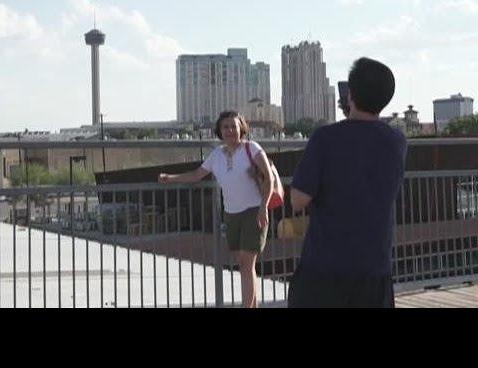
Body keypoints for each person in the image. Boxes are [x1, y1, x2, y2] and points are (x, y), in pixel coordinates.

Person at [287, 57, 407, 308]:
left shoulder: (325, 138)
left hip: (325, 268)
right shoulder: (396, 141)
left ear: (350, 94)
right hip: (375, 269)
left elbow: (298, 200)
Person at [158, 110, 274, 308]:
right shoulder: (217, 155)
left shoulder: (251, 148)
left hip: (254, 211)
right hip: (231, 214)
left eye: (234, 126)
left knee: (247, 264)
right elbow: (196, 175)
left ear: (241, 129)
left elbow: (268, 177)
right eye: (225, 127)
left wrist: (264, 206)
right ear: (220, 131)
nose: (230, 130)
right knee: (244, 264)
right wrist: (170, 178)